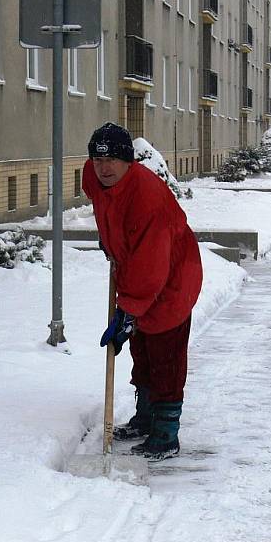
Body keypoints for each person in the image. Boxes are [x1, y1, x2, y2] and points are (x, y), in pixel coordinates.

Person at [82, 122, 203, 461]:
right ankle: (146, 417)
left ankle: (166, 433)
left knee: (165, 356)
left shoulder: (147, 198)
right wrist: (109, 243)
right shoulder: (96, 180)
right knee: (143, 350)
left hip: (173, 280)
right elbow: (107, 210)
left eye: (112, 161)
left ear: (129, 162)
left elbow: (151, 266)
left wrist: (127, 312)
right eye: (97, 159)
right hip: (138, 272)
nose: (104, 168)